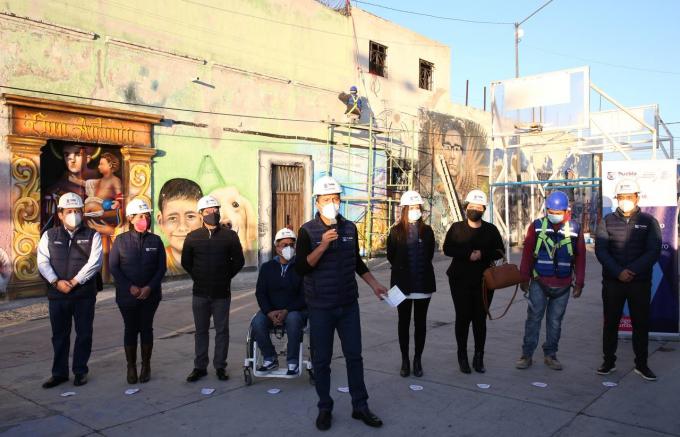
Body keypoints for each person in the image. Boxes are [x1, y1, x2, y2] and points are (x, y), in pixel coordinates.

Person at [295, 175, 387, 431]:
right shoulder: (307, 231)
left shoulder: (349, 228)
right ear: (317, 201)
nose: (332, 203)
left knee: (354, 356)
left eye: (336, 198)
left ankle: (360, 406)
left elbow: (356, 262)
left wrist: (374, 284)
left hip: (348, 304)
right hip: (320, 306)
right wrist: (323, 245)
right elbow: (302, 267)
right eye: (327, 199)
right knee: (322, 360)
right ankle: (325, 407)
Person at [595, 179, 661, 381]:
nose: (625, 201)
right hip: (613, 283)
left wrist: (631, 270)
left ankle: (641, 364)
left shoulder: (649, 221)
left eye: (629, 197)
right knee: (610, 323)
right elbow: (601, 251)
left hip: (639, 283)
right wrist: (618, 272)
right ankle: (608, 362)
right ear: (617, 199)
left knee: (640, 324)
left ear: (636, 197)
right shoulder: (606, 221)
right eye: (621, 197)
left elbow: (653, 250)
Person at [37, 192, 103, 388]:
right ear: (60, 214)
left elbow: (95, 262)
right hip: (57, 295)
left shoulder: (93, 235)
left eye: (76, 211)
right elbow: (42, 261)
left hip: (83, 294)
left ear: (82, 212)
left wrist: (74, 282)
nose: (73, 214)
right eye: (69, 211)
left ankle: (80, 371)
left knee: (84, 334)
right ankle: (59, 373)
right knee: (59, 336)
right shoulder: (49, 235)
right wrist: (56, 282)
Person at [516, 191, 586, 371]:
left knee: (555, 322)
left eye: (558, 211)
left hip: (562, 286)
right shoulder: (537, 227)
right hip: (539, 282)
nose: (554, 214)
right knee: (533, 319)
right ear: (546, 209)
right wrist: (524, 278)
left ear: (566, 211)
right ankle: (527, 355)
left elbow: (580, 258)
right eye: (551, 211)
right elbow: (527, 254)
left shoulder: (575, 229)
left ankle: (550, 354)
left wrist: (579, 283)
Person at [182, 195, 245, 382]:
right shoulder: (193, 237)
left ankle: (220, 366)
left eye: (216, 210)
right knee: (201, 331)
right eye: (208, 211)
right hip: (200, 293)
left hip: (221, 293)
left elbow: (239, 261)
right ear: (201, 214)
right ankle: (200, 367)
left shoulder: (230, 236)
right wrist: (199, 277)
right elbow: (186, 262)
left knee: (222, 331)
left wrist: (225, 277)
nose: (213, 213)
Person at [443, 190, 504, 374]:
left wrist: (482, 254)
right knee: (462, 319)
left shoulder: (491, 230)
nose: (475, 210)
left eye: (479, 207)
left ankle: (479, 357)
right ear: (466, 207)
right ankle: (462, 357)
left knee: (480, 320)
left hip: (484, 282)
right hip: (459, 281)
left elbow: (499, 250)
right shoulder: (456, 228)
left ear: (484, 209)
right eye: (472, 207)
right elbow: (447, 248)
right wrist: (467, 254)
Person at [109, 199, 167, 384]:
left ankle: (146, 366)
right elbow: (114, 268)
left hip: (151, 295)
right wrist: (130, 287)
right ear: (131, 218)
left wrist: (149, 287)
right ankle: (131, 366)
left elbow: (161, 268)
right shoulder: (120, 241)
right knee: (131, 329)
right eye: (141, 216)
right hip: (127, 296)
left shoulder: (155, 241)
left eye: (147, 216)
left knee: (146, 328)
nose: (144, 219)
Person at [386, 190, 436, 378]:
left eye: (418, 207)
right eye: (412, 207)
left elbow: (430, 254)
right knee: (403, 323)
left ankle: (417, 360)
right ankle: (405, 361)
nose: (415, 211)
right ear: (404, 209)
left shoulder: (428, 231)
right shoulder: (396, 231)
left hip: (423, 285)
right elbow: (391, 256)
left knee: (420, 324)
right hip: (402, 286)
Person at [251, 228, 307, 375]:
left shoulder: (302, 267)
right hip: (271, 310)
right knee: (257, 322)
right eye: (284, 244)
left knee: (294, 320)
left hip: (294, 310)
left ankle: (292, 362)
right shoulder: (267, 268)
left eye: (291, 244)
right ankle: (270, 358)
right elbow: (260, 293)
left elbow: (304, 295)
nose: (288, 248)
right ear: (276, 248)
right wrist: (269, 312)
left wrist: (286, 311)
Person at [156, 178, 203, 275]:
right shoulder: (153, 263)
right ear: (160, 222)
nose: (182, 227)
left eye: (190, 216)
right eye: (172, 218)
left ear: (202, 219)